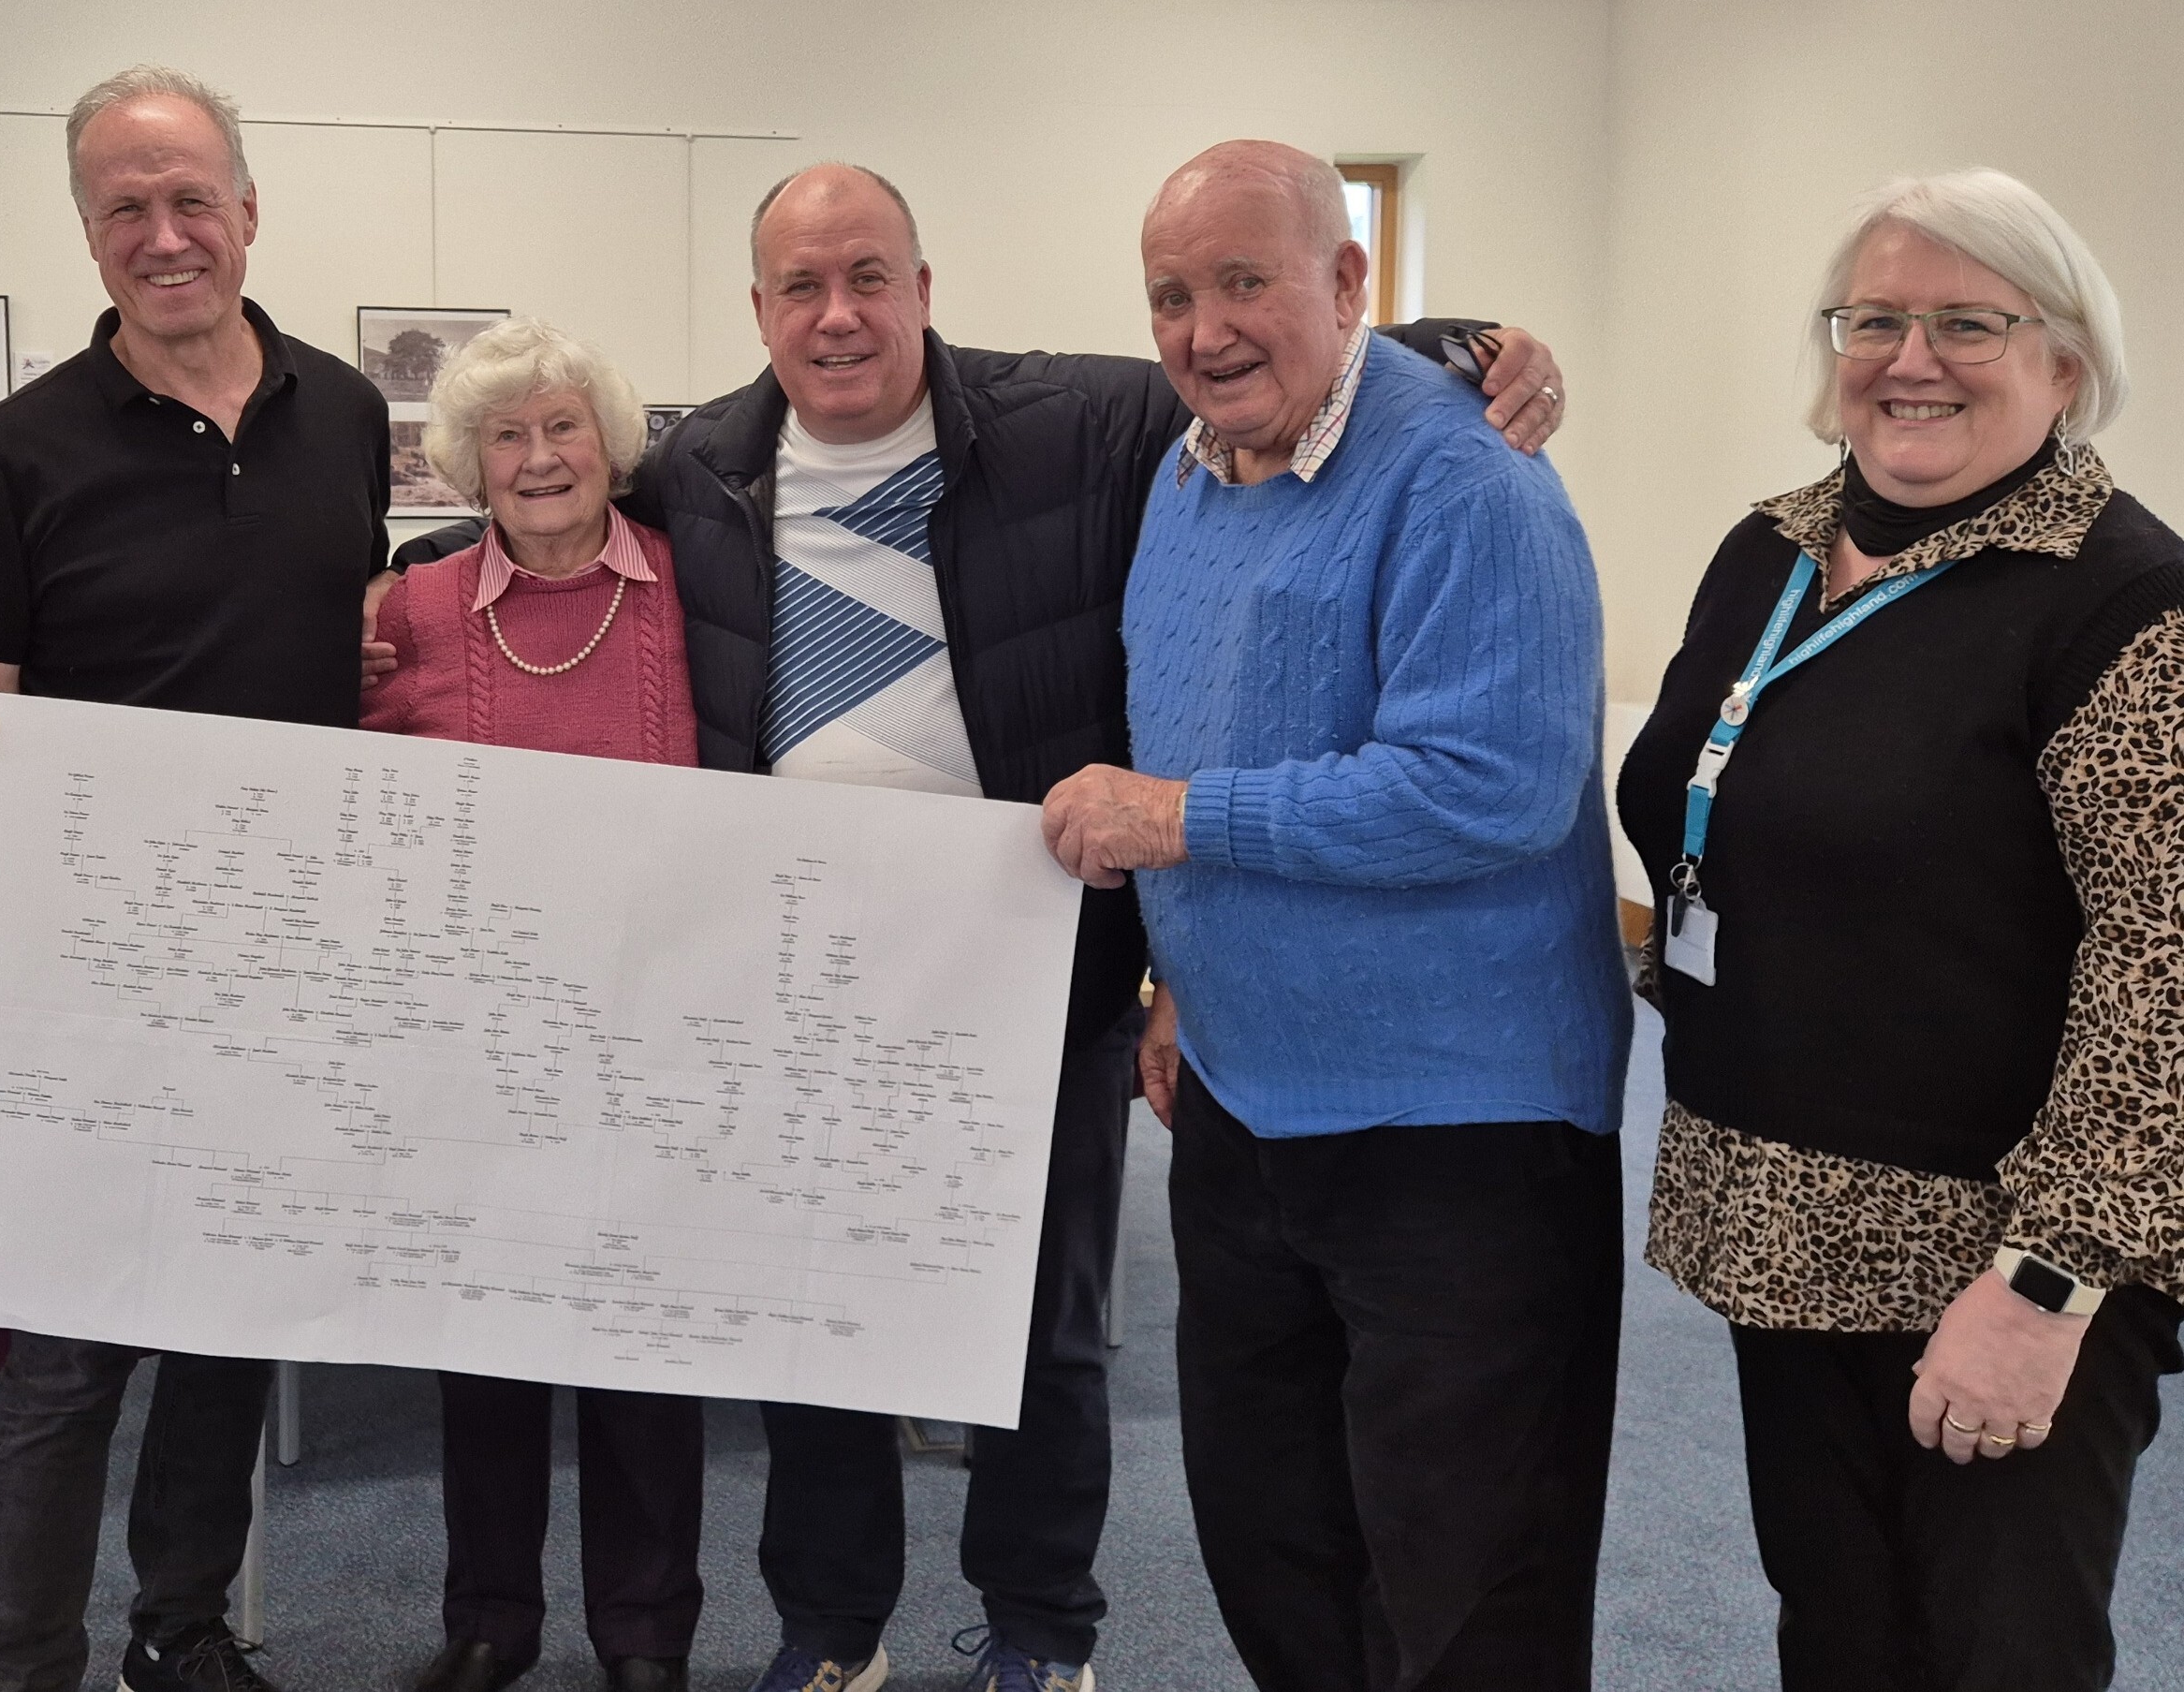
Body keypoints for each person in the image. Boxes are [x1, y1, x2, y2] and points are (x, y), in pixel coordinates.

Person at [387, 161, 1567, 1692]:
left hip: (1030, 966)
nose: (838, 314)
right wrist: (388, 610)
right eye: (802, 287)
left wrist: (1465, 345)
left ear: (924, 289)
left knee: (1040, 1329)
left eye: (868, 276)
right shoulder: (701, 469)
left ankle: (1040, 1628)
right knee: (807, 1314)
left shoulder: (1079, 423)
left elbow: (1257, 351)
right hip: (790, 986)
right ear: (759, 311)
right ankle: (832, 1630)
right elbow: (542, 538)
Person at [1040, 140, 1630, 1692]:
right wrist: (1180, 974)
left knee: (1465, 1589)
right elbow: (1221, 712)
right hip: (1244, 1108)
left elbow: (1491, 785)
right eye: (1173, 295)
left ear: (1352, 278)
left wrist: (1173, 821)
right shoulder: (1185, 471)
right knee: (1275, 1540)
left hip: (1458, 1135)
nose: (1206, 329)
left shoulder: (1469, 476)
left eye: (1247, 281)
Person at [1617, 169, 2184, 1691]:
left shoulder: (2123, 601)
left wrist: (2047, 1287)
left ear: (2064, 361)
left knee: (2000, 1652)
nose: (1910, 358)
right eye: (1874, 319)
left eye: (1968, 324)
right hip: (1778, 1229)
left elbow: (2168, 979)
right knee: (1841, 1632)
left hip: (1993, 1260)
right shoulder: (1776, 547)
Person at [0, 64, 388, 1692]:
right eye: (125, 210)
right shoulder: (17, 447)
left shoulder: (348, 412)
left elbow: (346, 638)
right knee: (66, 1354)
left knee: (232, 1326)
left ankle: (181, 1630)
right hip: (85, 981)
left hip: (293, 963)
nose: (164, 236)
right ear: (89, 235)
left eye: (190, 201)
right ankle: (24, 1663)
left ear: (248, 210)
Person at [363, 319, 703, 1692]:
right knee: (486, 1343)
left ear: (611, 445)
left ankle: (646, 1631)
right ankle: (491, 1620)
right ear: (470, 463)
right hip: (476, 1042)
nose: (540, 456)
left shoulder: (695, 587)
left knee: (644, 1346)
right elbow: (362, 803)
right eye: (506, 435)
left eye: (564, 426)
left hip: (660, 1030)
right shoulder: (412, 611)